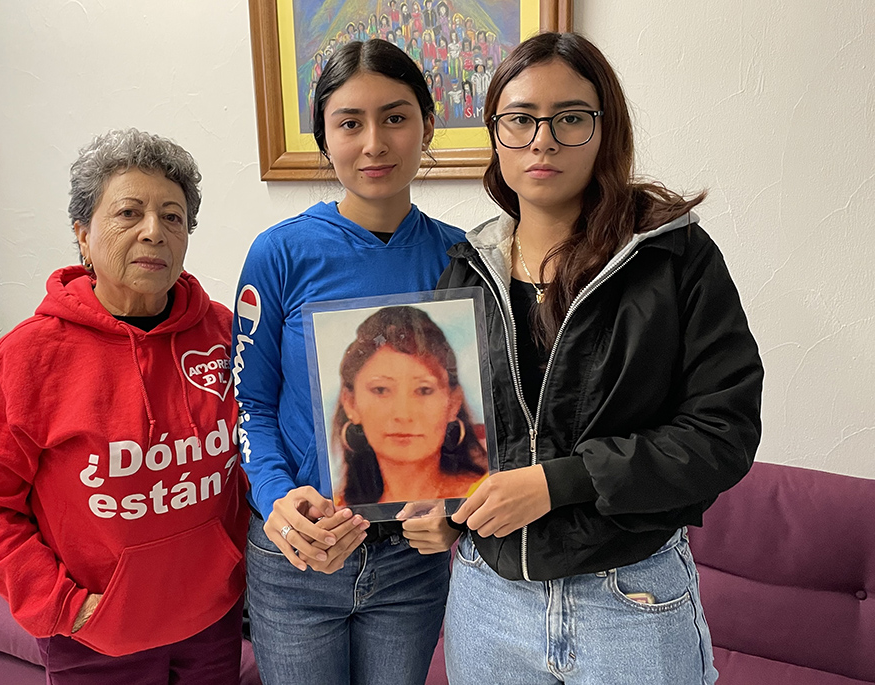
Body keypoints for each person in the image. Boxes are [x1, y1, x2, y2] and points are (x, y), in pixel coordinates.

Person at [437, 32, 764, 684]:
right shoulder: (466, 269)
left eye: (571, 118)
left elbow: (722, 433)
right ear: (496, 132)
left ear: (603, 128)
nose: (543, 138)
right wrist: (438, 513)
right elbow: (451, 437)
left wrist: (559, 481)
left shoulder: (673, 258)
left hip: (628, 597)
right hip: (486, 595)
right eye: (521, 118)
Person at [0, 129, 250, 684]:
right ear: (83, 235)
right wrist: (62, 605)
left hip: (212, 619)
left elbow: (258, 453)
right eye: (128, 213)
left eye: (173, 217)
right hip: (93, 634)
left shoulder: (230, 338)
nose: (154, 232)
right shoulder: (24, 362)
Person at [233, 39, 464, 685]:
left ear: (426, 125)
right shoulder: (278, 253)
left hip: (412, 564)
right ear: (324, 137)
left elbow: (474, 412)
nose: (374, 144)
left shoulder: (463, 256)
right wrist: (277, 497)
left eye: (394, 117)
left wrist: (453, 513)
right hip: (299, 555)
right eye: (349, 122)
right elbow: (246, 402)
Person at [331, 306, 487, 507]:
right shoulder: (337, 510)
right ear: (350, 403)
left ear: (453, 403)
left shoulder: (488, 496)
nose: (403, 414)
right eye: (381, 390)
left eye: (423, 390)